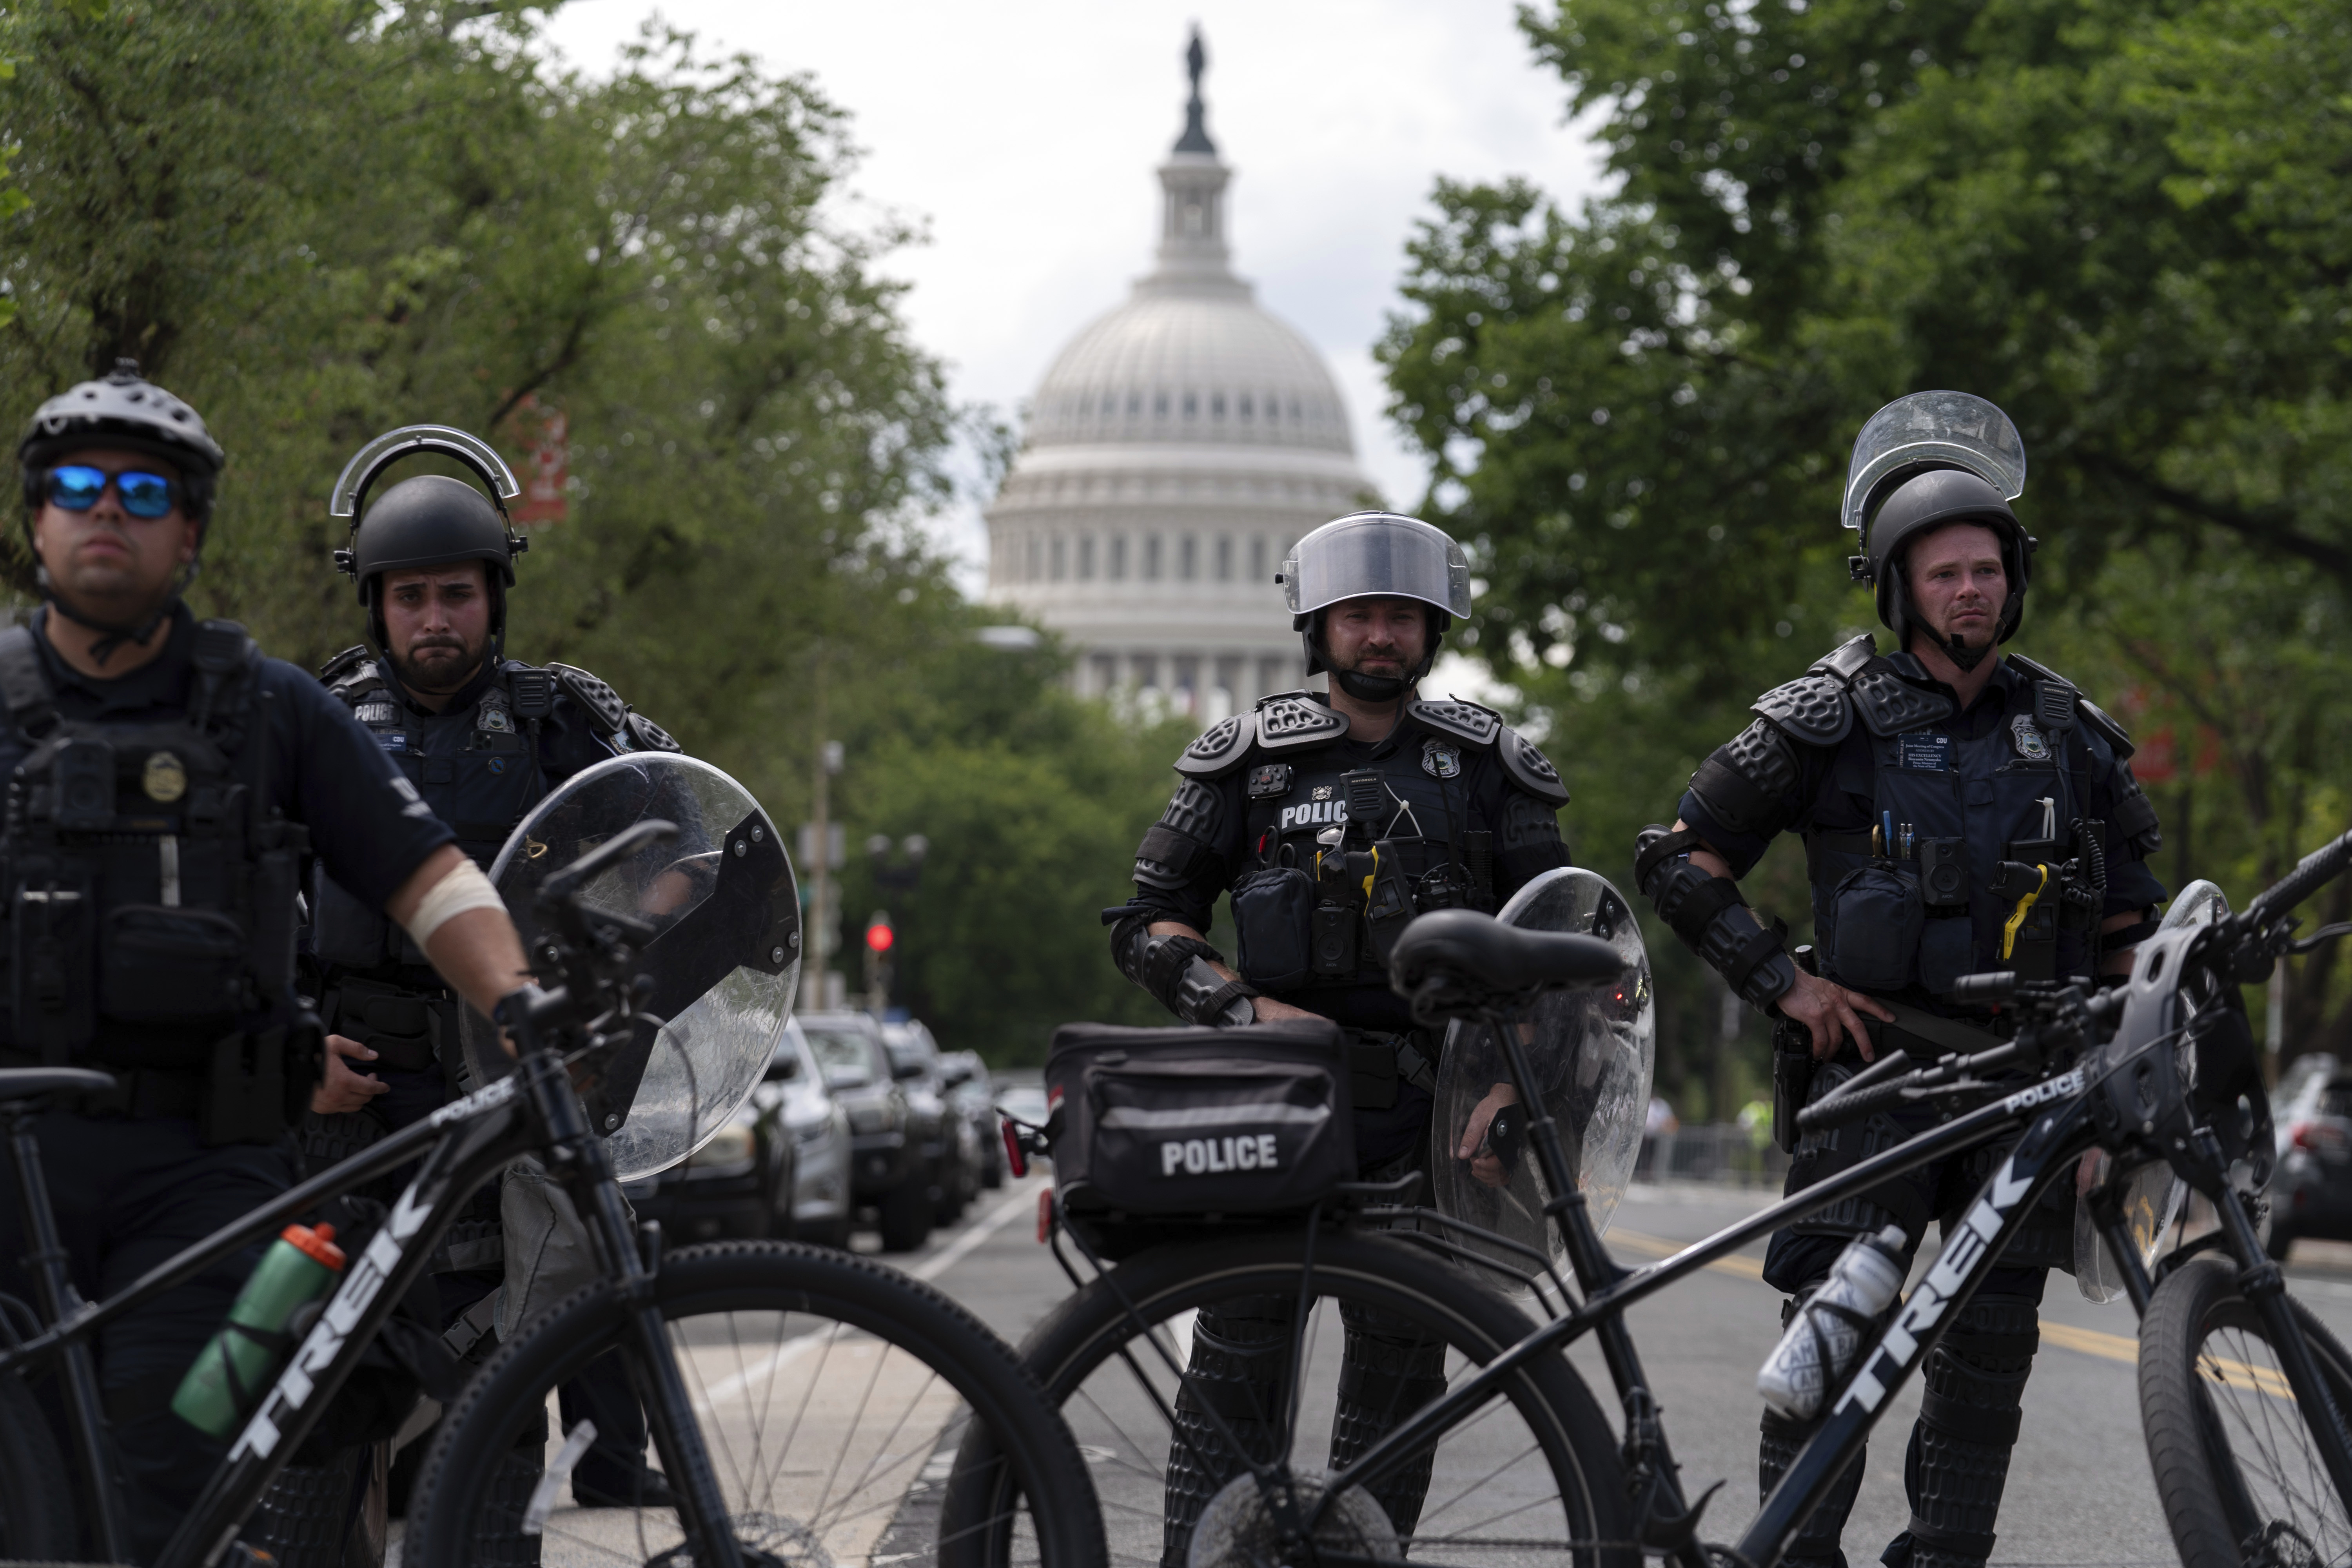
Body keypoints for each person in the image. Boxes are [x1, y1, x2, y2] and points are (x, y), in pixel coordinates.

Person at [0, 362, 534, 1564]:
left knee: (169, 1478)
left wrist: (520, 1000)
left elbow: (431, 877)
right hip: (11, 1167)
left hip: (215, 1187)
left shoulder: (276, 711)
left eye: (146, 492)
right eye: (77, 485)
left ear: (188, 530)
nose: (107, 510)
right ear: (36, 516)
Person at [1632, 392, 2167, 1568]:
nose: (1970, 591)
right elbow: (1676, 860)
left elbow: (2130, 927)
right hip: (1876, 1079)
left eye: (1987, 570)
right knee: (1833, 1344)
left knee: (1988, 1363)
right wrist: (1788, 986)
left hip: (2029, 1085)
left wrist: (2113, 1094)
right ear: (1898, 588)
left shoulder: (2073, 732)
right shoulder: (1826, 721)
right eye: (1944, 576)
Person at [1106, 509, 1574, 1561]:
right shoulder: (1247, 767)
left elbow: (1558, 936)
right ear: (1318, 630)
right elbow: (1149, 923)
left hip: (1432, 1120)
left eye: (1401, 617)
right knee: (1236, 1371)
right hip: (1276, 1108)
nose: (1381, 636)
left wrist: (1513, 1082)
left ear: (1431, 632)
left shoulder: (1491, 766)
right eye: (1359, 616)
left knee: (1400, 1389)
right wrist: (1242, 1009)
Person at [266, 426, 681, 1550]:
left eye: (457, 594)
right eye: (411, 598)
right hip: (350, 1119)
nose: (435, 619)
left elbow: (686, 852)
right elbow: (243, 902)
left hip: (511, 1113)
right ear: (377, 604)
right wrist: (292, 1051)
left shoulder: (571, 724)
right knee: (314, 1416)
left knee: (498, 1401)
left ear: (496, 597)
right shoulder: (306, 726)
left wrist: (598, 1018)